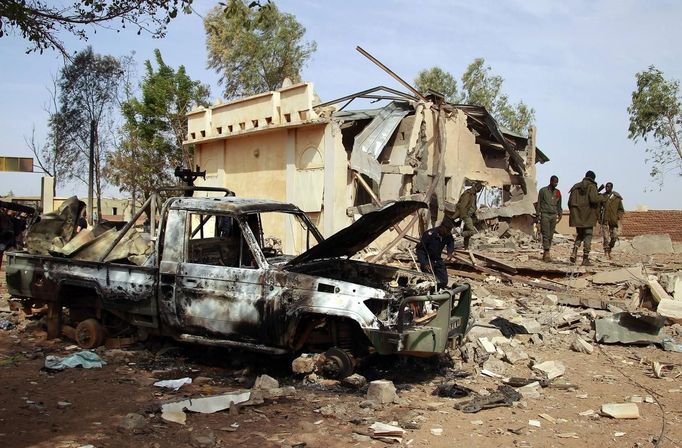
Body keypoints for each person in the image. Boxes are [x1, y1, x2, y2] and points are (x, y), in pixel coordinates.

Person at [568, 170, 606, 266]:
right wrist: (601, 197)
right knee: (588, 235)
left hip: (577, 216)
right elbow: (594, 199)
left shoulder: (575, 186)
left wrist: (576, 212)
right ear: (593, 178)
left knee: (580, 234)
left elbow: (569, 203)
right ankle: (585, 259)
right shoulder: (592, 186)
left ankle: (575, 250)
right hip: (588, 216)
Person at [416, 219, 455, 290]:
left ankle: (437, 291)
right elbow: (420, 250)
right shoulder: (429, 234)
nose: (448, 233)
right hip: (427, 260)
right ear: (442, 227)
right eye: (447, 230)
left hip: (437, 259)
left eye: (449, 231)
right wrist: (424, 263)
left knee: (443, 281)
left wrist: (449, 253)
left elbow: (451, 242)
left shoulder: (447, 235)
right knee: (430, 281)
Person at [537, 175, 562, 262]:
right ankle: (546, 252)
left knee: (551, 235)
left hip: (553, 215)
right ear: (551, 181)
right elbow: (539, 204)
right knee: (546, 234)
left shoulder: (558, 192)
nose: (556, 184)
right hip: (545, 214)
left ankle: (547, 251)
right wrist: (537, 216)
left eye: (557, 182)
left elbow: (559, 204)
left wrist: (560, 213)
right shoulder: (543, 191)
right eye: (554, 182)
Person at [452, 182, 483, 250]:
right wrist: (463, 216)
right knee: (472, 231)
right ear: (477, 188)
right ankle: (459, 233)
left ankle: (466, 247)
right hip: (466, 215)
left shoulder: (474, 194)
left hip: (470, 215)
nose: (480, 191)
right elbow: (462, 207)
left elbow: (473, 206)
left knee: (467, 231)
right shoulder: (468, 194)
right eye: (480, 189)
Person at [599, 182, 624, 259]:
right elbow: (598, 208)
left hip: (613, 220)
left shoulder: (617, 198)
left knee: (614, 237)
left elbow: (621, 209)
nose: (607, 188)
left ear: (611, 188)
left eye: (608, 187)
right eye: (606, 187)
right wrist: (599, 217)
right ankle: (606, 252)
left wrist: (617, 217)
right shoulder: (602, 197)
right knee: (606, 237)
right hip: (605, 220)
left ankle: (610, 248)